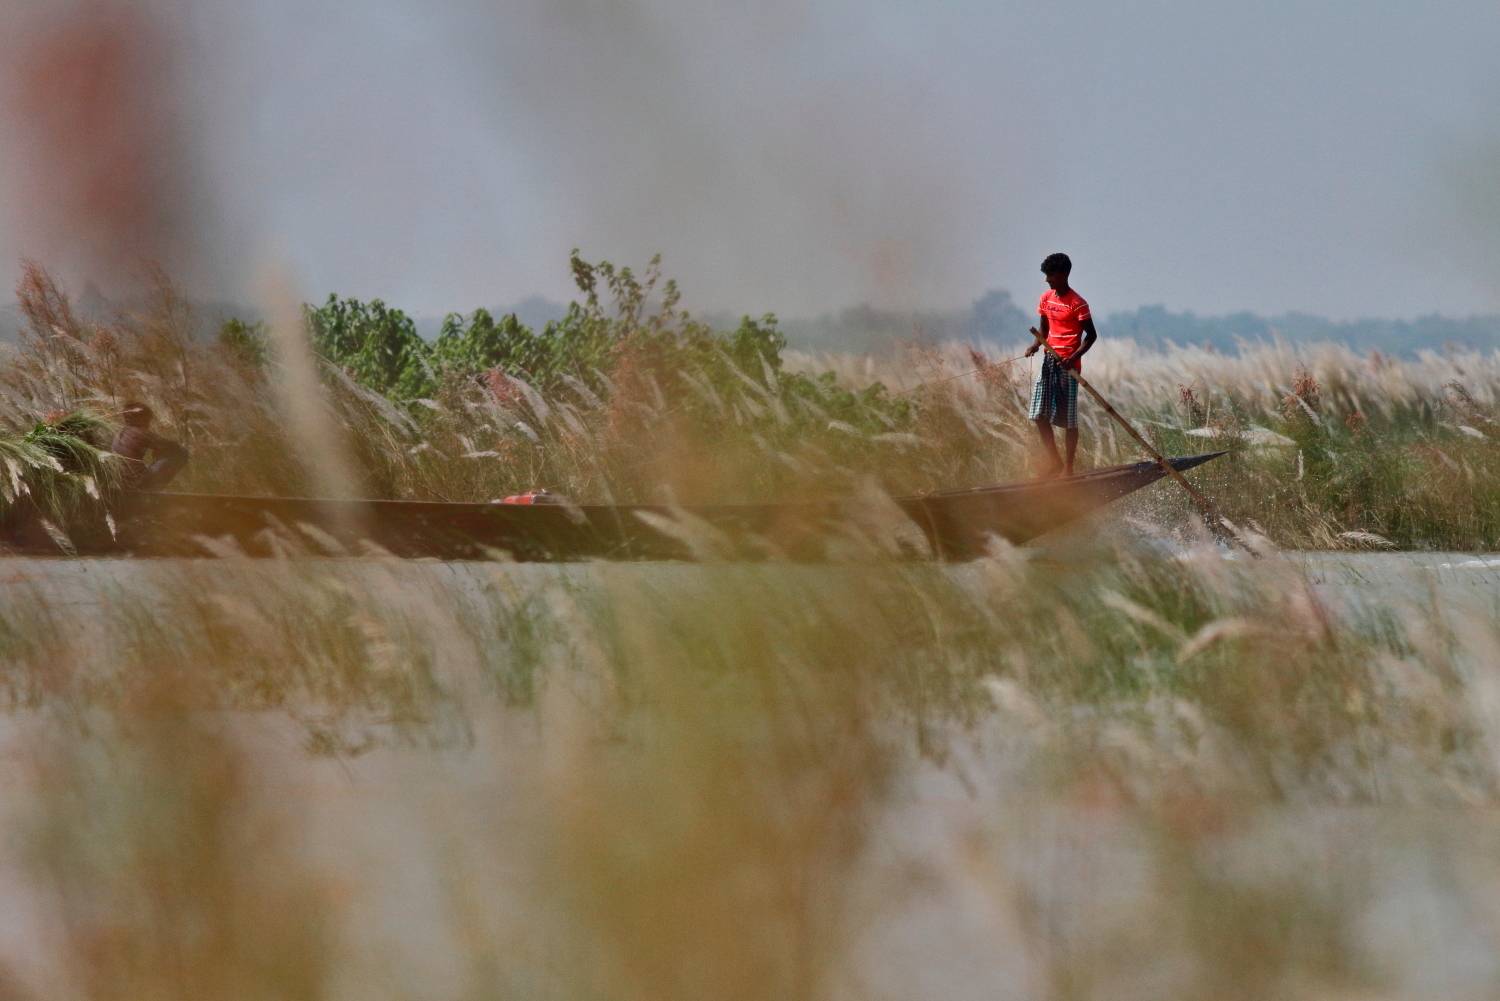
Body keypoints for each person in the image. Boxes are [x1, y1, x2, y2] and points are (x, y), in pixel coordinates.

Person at [1025, 252, 1098, 476]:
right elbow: (1044, 329)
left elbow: (1091, 336)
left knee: (1068, 420)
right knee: (1038, 415)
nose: (1047, 280)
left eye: (1051, 275)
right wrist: (1035, 345)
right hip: (1049, 361)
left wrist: (1073, 357)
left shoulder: (1078, 304)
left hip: (1068, 367)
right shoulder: (1046, 298)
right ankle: (1055, 462)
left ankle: (1068, 468)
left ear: (1064, 275)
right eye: (1047, 275)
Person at [111, 402, 188, 489]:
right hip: (138, 483)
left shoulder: (119, 433)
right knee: (182, 452)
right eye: (148, 420)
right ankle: (154, 490)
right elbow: (172, 446)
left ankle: (151, 488)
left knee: (148, 464)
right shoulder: (140, 433)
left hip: (121, 483)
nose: (149, 424)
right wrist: (160, 451)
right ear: (141, 419)